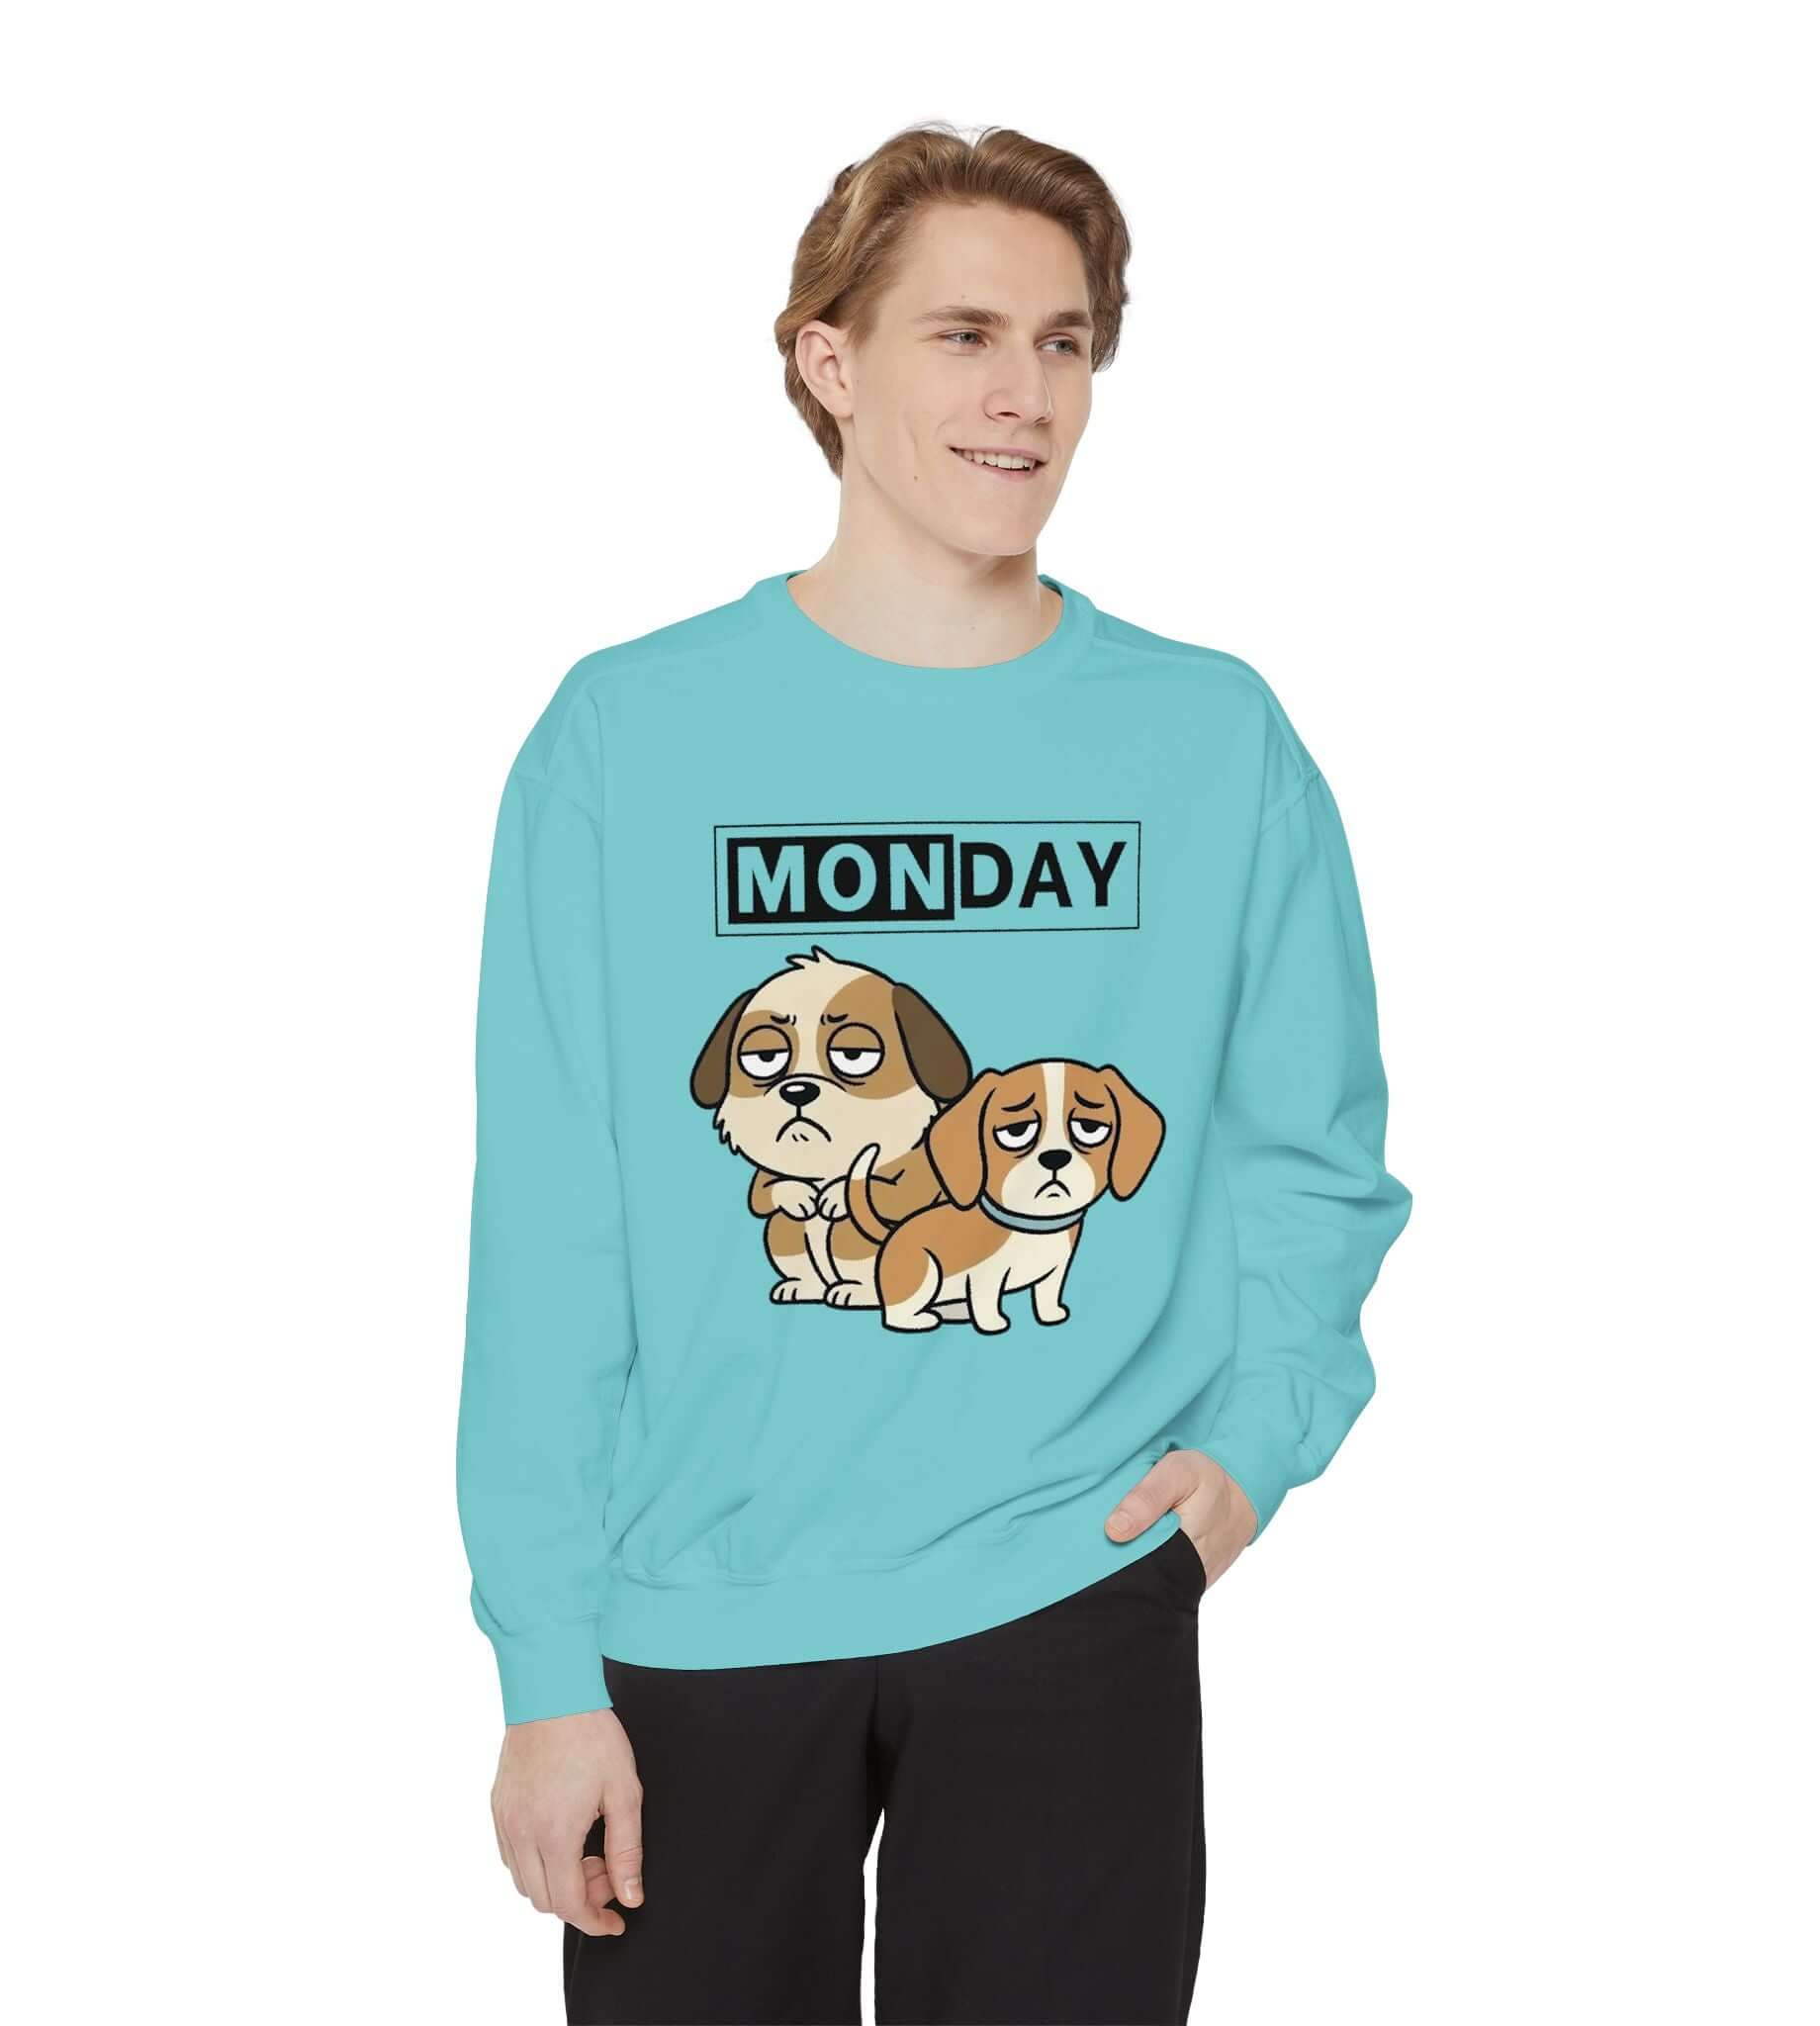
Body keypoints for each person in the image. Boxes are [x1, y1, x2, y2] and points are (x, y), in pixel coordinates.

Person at [457, 120, 1411, 2026]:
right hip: (700, 1604)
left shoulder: (1210, 738)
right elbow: (556, 1223)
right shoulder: (628, 736)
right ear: (829, 360)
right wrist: (546, 1668)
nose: (1023, 396)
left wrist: (1251, 1453)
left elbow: (1315, 1158)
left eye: (1064, 344)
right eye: (964, 335)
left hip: (1073, 1584)